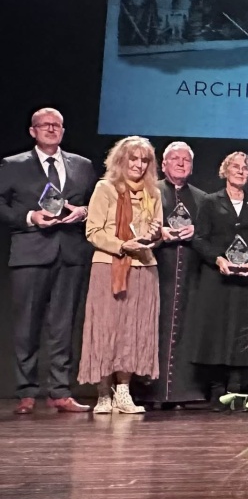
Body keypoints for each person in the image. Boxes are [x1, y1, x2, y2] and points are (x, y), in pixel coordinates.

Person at [0, 107, 97, 414]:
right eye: (45, 125)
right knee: (27, 326)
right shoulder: (13, 165)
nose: (51, 129)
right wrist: (29, 217)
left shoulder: (82, 165)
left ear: (63, 131)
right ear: (33, 131)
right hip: (30, 253)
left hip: (70, 254)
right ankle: (27, 393)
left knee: (63, 326)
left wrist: (83, 212)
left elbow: (95, 204)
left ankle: (59, 391)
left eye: (57, 125)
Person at [79, 136, 163, 414]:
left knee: (133, 332)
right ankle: (103, 393)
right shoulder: (105, 188)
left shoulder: (154, 192)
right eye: (133, 159)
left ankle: (124, 392)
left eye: (144, 160)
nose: (139, 165)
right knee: (105, 329)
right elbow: (93, 231)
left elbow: (157, 229)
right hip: (109, 265)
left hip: (143, 268)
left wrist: (153, 237)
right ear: (121, 160)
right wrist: (121, 245)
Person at [187, 152, 248, 411]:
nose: (240, 171)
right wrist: (218, 260)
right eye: (235, 167)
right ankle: (217, 391)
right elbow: (200, 239)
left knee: (245, 332)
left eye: (245, 168)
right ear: (225, 170)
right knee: (217, 332)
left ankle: (245, 390)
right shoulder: (210, 203)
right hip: (217, 279)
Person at [143, 141, 207, 408]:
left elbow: (211, 236)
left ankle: (184, 392)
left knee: (187, 329)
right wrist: (159, 234)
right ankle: (150, 392)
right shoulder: (150, 191)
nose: (181, 164)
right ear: (164, 163)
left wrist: (198, 232)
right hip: (157, 269)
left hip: (191, 273)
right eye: (175, 159)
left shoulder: (202, 198)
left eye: (186, 160)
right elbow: (138, 227)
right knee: (153, 328)